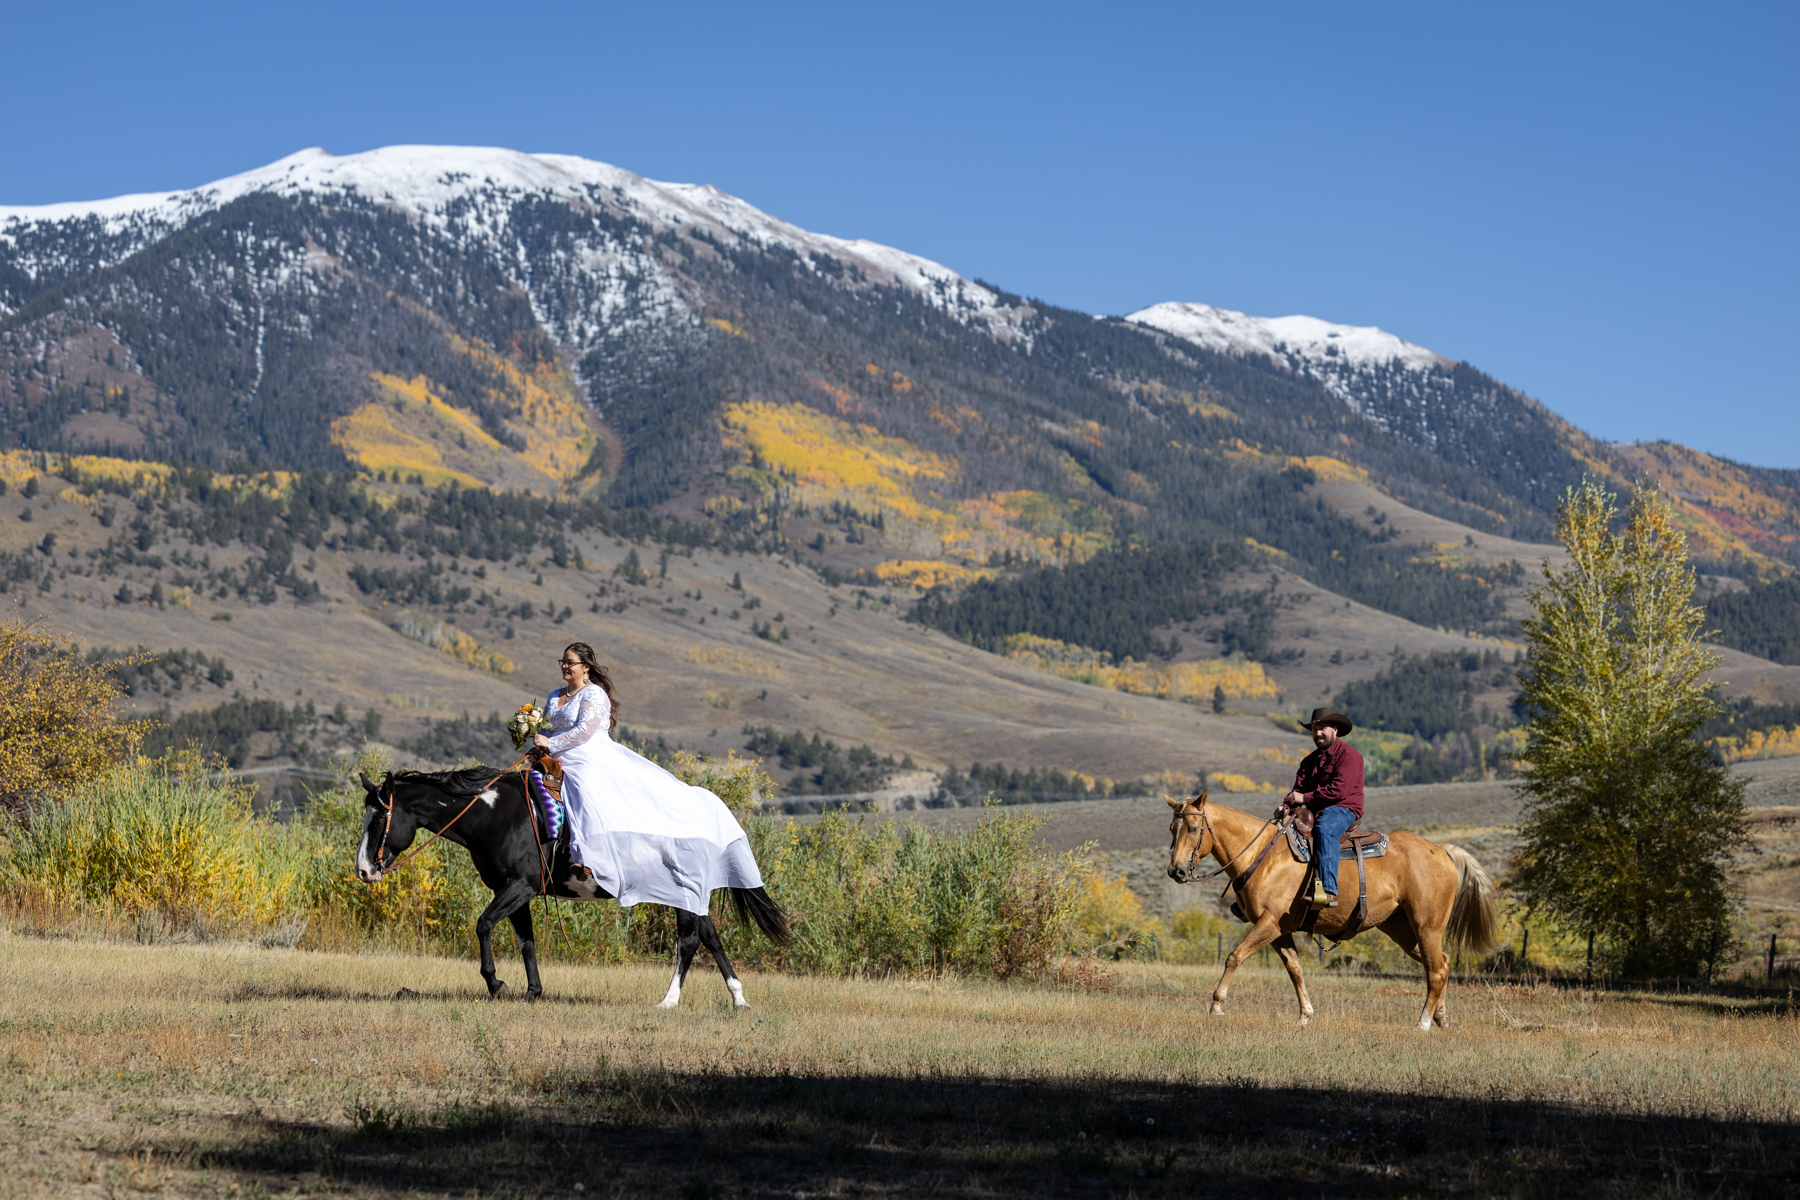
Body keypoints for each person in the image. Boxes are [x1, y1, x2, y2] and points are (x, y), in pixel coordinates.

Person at [532, 642, 764, 914]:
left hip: (587, 754)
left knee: (584, 788)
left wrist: (551, 742)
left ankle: (587, 858)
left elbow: (585, 730)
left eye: (570, 662)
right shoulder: (553, 696)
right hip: (555, 755)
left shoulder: (593, 694)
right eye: (562, 661)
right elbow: (549, 726)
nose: (565, 666)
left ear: (585, 667)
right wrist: (537, 743)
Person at [1277, 706, 1365, 909]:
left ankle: (1328, 890)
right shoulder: (1309, 761)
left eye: (1322, 728)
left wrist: (1305, 797)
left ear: (1335, 729)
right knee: (1280, 830)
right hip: (1317, 808)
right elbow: (1297, 790)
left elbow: (1339, 791)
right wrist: (1286, 806)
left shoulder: (1349, 756)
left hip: (1343, 808)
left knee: (1324, 829)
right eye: (1314, 730)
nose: (1318, 734)